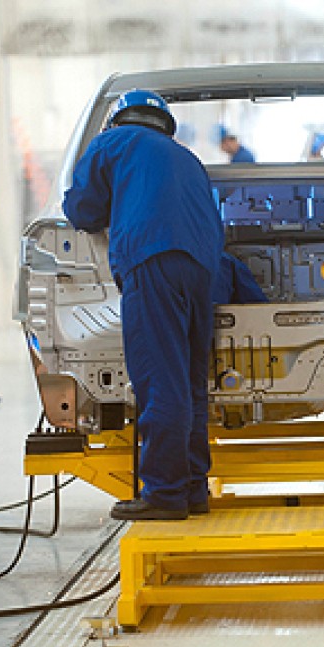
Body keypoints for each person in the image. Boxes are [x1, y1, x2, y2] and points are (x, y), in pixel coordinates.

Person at [63, 89, 225, 521]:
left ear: (120, 119)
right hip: (202, 270)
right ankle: (193, 489)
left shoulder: (112, 143)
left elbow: (82, 210)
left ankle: (165, 494)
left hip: (152, 261)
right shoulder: (187, 157)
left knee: (159, 379)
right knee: (190, 383)